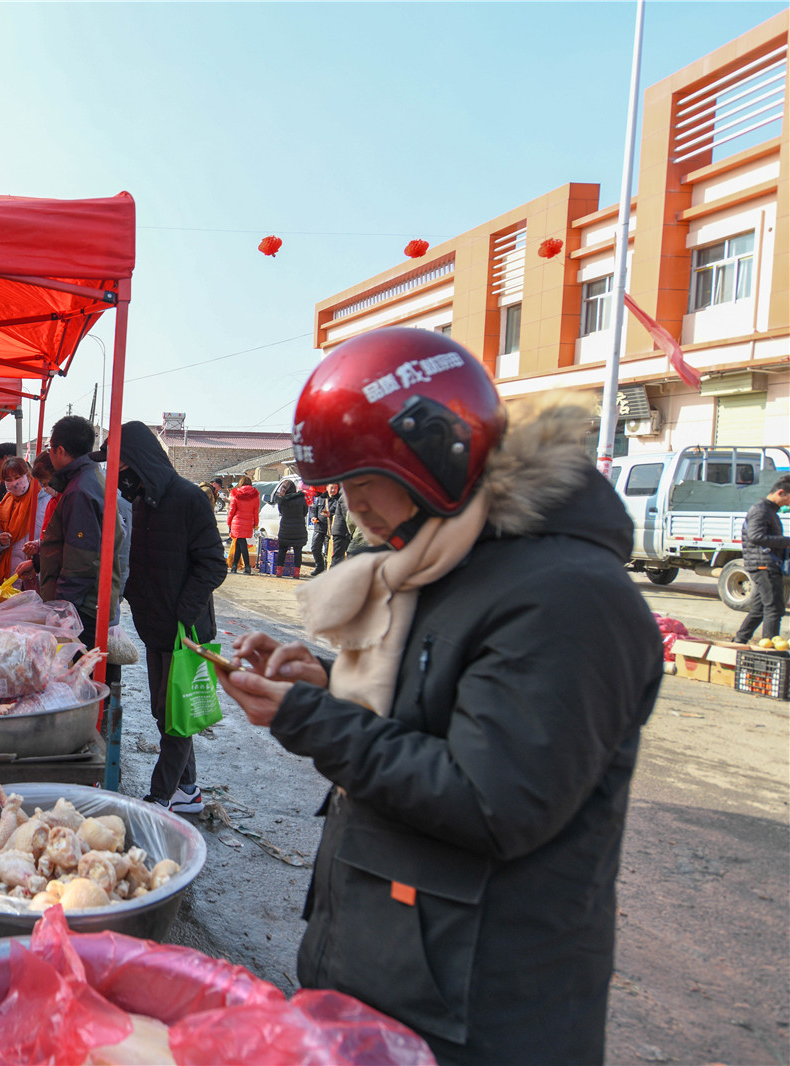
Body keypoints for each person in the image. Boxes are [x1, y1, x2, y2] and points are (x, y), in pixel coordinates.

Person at [212, 327, 662, 1065]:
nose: (356, 512)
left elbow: (491, 799)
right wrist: (323, 679)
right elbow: (438, 698)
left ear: (432, 458)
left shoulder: (568, 600)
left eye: (361, 486)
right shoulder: (450, 560)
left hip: (477, 1009)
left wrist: (310, 719)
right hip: (397, 970)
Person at [112, 421, 226, 813]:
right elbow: (143, 564)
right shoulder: (144, 501)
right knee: (168, 711)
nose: (119, 476)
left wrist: (182, 614)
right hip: (156, 628)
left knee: (177, 716)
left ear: (139, 461)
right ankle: (189, 790)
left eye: (122, 466)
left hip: (186, 631)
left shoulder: (189, 498)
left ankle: (160, 796)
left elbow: (213, 565)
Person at [38, 415, 122, 648]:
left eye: (50, 448)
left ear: (61, 450)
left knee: (78, 674)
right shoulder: (88, 478)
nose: (50, 453)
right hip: (88, 602)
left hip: (83, 608)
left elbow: (81, 561)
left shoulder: (80, 490)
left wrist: (62, 611)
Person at [733, 473, 790, 644]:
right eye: (789, 499)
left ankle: (738, 641)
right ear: (781, 492)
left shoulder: (769, 511)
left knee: (759, 609)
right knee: (774, 608)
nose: (789, 503)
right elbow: (756, 536)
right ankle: (769, 649)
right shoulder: (761, 510)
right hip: (763, 565)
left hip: (765, 563)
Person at [0, 456, 50, 584]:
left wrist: (37, 547)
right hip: (11, 574)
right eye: (8, 479)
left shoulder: (45, 501)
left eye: (17, 477)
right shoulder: (2, 506)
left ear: (28, 476)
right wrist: (0, 541)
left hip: (37, 571)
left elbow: (52, 538)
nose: (14, 483)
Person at [272, 479, 308, 576]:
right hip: (298, 529)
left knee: (282, 550)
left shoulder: (282, 501)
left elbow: (281, 512)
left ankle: (279, 572)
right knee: (298, 551)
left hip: (285, 529)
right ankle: (296, 573)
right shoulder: (301, 499)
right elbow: (305, 512)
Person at [227, 477, 261, 575]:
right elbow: (256, 511)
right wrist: (256, 524)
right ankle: (234, 566)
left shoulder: (235, 493)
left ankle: (247, 566)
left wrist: (229, 522)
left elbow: (232, 509)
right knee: (239, 543)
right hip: (248, 522)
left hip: (237, 521)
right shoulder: (255, 494)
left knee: (241, 543)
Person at [328, 482, 352, 566]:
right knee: (338, 558)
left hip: (344, 532)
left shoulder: (346, 497)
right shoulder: (345, 498)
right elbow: (348, 516)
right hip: (341, 533)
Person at [308, 487, 331, 574]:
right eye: (330, 488)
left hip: (329, 529)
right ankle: (319, 567)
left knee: (327, 551)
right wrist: (313, 517)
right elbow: (314, 509)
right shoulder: (320, 498)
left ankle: (326, 569)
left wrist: (330, 514)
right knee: (315, 548)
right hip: (318, 527)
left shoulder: (336, 500)